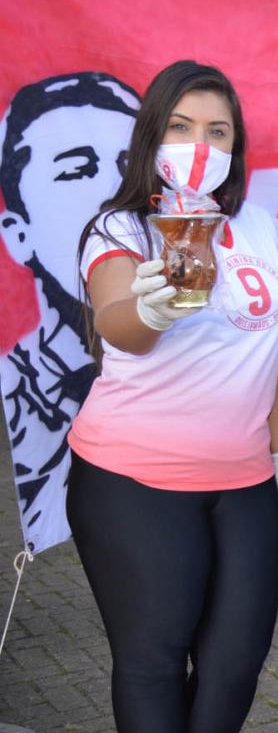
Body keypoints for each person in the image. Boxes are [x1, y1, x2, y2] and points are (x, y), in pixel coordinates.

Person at [66, 61, 278, 733]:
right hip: (134, 484)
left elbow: (277, 360)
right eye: (182, 126)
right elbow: (116, 322)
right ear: (151, 136)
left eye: (218, 130)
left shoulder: (255, 223)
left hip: (247, 485)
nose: (201, 143)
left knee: (233, 670)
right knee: (153, 665)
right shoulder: (120, 229)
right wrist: (151, 306)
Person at [0, 71, 140, 554]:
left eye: (128, 164)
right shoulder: (22, 393)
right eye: (76, 169)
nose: (113, 191)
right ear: (18, 234)